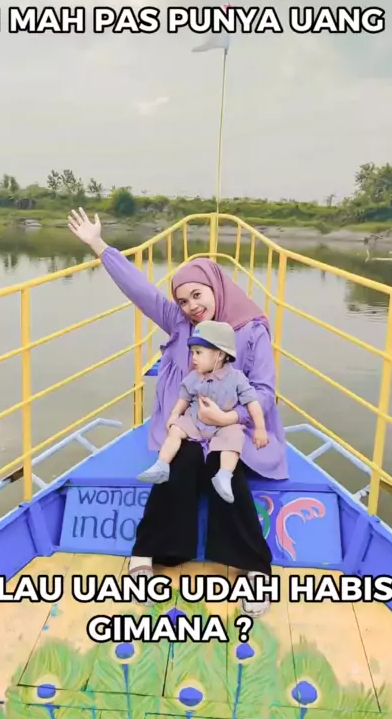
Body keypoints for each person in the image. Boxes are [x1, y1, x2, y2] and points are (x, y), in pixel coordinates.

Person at [68, 208, 288, 617]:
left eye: (197, 296)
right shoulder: (180, 324)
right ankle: (146, 555)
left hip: (233, 427)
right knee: (177, 466)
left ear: (215, 289)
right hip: (188, 426)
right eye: (183, 300)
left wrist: (230, 419)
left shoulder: (251, 330)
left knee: (227, 472)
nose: (191, 306)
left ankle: (255, 569)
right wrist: (98, 245)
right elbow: (141, 291)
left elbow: (264, 392)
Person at [137, 320, 269, 505]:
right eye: (193, 353)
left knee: (234, 440)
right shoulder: (194, 377)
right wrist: (174, 415)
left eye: (199, 353)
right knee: (175, 429)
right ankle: (162, 464)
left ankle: (224, 475)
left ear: (220, 355)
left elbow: (252, 403)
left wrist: (260, 428)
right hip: (195, 420)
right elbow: (184, 398)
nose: (194, 358)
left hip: (223, 426)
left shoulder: (237, 379)